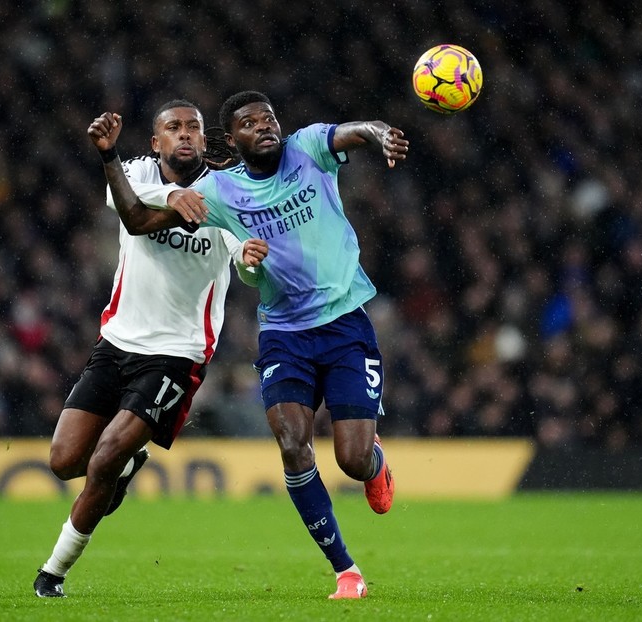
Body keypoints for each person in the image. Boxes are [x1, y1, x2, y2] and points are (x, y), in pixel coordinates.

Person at [92, 90, 409, 599]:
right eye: (250, 123)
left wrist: (380, 134)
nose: (264, 126)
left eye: (270, 119)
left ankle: (372, 459)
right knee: (291, 445)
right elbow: (139, 223)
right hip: (283, 333)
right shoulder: (220, 191)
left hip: (346, 325)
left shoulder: (308, 149)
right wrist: (235, 252)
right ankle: (346, 571)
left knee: (350, 460)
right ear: (234, 139)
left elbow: (355, 128)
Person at [33, 99, 268, 598]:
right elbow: (133, 215)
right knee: (63, 461)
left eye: (193, 128)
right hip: (116, 342)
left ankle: (52, 573)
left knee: (103, 461)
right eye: (172, 128)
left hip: (177, 354)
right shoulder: (134, 171)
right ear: (156, 142)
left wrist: (250, 261)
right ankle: (127, 467)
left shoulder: (226, 193)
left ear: (206, 141)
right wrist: (130, 169)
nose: (184, 135)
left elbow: (243, 267)